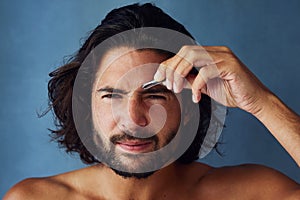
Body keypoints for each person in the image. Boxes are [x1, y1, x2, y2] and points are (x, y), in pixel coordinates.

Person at [4, 3, 300, 199]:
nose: (133, 118)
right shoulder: (33, 198)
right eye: (112, 95)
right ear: (86, 108)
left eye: (154, 95)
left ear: (187, 108)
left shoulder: (250, 194)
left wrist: (261, 102)